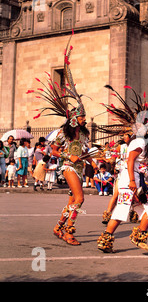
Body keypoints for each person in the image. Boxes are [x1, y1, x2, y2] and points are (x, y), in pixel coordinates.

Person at [29, 36, 99, 246]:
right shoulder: (63, 132)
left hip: (78, 167)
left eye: (84, 117)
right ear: (73, 117)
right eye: (81, 117)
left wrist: (93, 159)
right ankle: (69, 231)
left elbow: (85, 151)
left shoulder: (84, 134)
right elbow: (53, 150)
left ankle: (58, 226)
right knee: (80, 199)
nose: (84, 119)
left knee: (71, 201)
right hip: (67, 166)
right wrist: (70, 155)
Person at [96, 86, 148, 253]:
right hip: (130, 182)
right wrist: (133, 181)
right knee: (123, 212)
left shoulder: (141, 143)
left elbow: (142, 167)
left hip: (134, 181)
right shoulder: (139, 142)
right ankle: (130, 236)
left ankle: (125, 237)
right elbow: (130, 160)